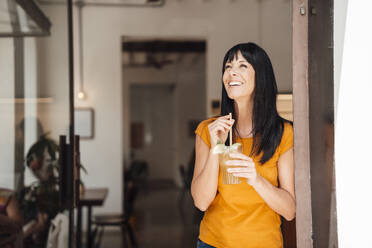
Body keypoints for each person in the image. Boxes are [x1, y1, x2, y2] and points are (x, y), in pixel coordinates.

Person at [191, 42, 295, 248]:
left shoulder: (283, 133)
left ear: (261, 76)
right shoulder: (208, 129)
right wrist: (216, 148)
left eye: (242, 66)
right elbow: (201, 202)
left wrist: (255, 178)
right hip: (214, 243)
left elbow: (289, 210)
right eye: (228, 67)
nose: (232, 73)